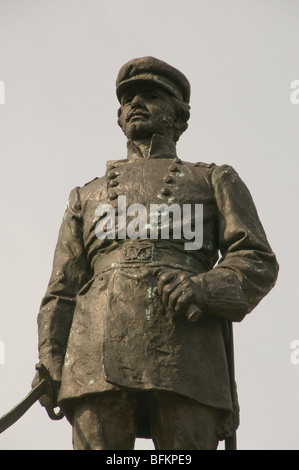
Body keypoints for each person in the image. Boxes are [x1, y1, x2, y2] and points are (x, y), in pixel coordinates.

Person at [33, 57, 279, 450]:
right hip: (93, 355)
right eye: (128, 98)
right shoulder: (85, 196)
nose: (136, 104)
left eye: (150, 96)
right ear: (118, 116)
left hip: (186, 353)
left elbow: (256, 260)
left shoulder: (214, 179)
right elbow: (61, 291)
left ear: (179, 116)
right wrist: (51, 358)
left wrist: (205, 288)